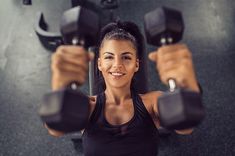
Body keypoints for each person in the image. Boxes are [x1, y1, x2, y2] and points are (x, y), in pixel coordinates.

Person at [45, 21, 201, 156]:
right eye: (109, 57)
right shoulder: (87, 106)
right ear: (99, 64)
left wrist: (188, 84)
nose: (117, 65)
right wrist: (59, 87)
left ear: (136, 65)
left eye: (126, 57)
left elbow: (186, 128)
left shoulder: (152, 102)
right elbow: (54, 130)